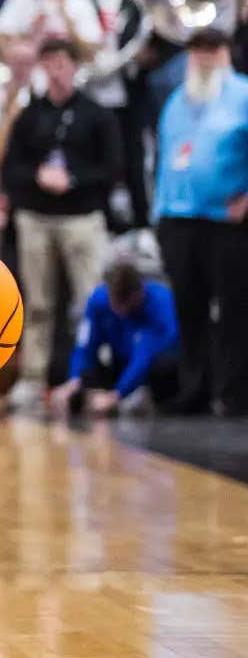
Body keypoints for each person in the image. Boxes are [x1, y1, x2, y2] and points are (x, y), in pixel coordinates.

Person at [0, 38, 120, 407]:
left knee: (91, 301)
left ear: (74, 67)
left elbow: (113, 168)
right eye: (48, 64)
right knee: (38, 303)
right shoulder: (30, 116)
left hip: (82, 217)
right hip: (36, 217)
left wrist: (74, 180)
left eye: (62, 64)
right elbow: (9, 168)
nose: (56, 72)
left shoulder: (97, 115)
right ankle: (32, 377)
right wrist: (38, 176)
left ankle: (94, 377)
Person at [152, 26, 248, 415]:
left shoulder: (243, 94)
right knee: (188, 307)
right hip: (180, 218)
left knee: (235, 309)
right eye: (196, 50)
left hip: (226, 222)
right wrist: (159, 215)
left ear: (226, 53)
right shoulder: (177, 99)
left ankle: (235, 393)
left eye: (212, 49)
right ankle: (194, 389)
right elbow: (166, 158)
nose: (204, 57)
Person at [49, 259, 179, 417]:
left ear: (139, 293)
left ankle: (145, 398)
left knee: (162, 367)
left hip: (151, 367)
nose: (121, 310)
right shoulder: (98, 302)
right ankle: (91, 397)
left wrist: (116, 395)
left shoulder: (159, 303)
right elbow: (85, 345)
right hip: (120, 363)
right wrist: (74, 380)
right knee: (62, 367)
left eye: (126, 302)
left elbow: (145, 355)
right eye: (116, 302)